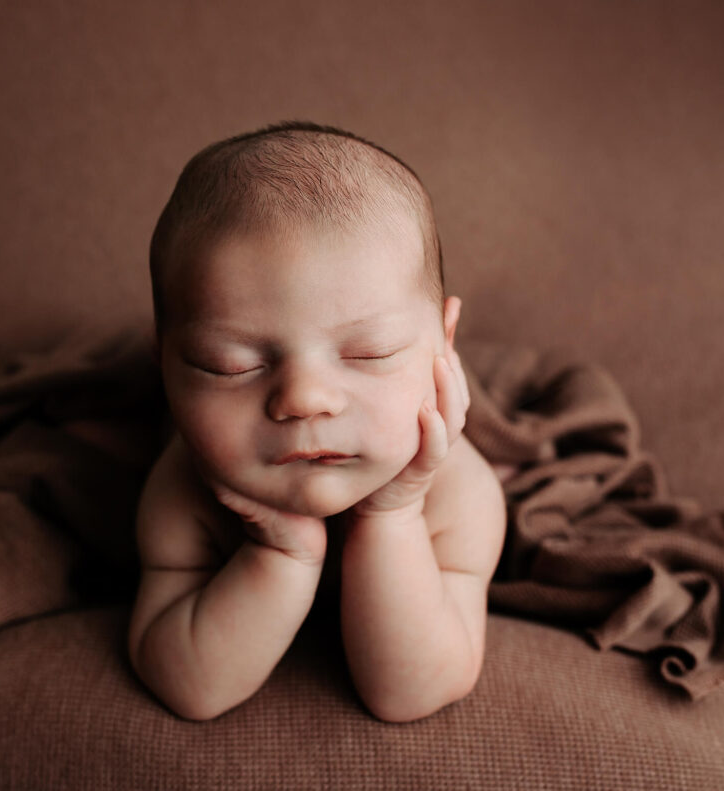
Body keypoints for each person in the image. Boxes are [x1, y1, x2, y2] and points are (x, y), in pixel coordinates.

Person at [127, 121, 507, 722]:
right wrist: (280, 555)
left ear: (445, 341)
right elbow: (189, 685)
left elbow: (409, 692)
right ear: (165, 363)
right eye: (229, 366)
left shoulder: (460, 494)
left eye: (370, 354)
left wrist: (394, 514)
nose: (304, 400)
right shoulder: (185, 490)